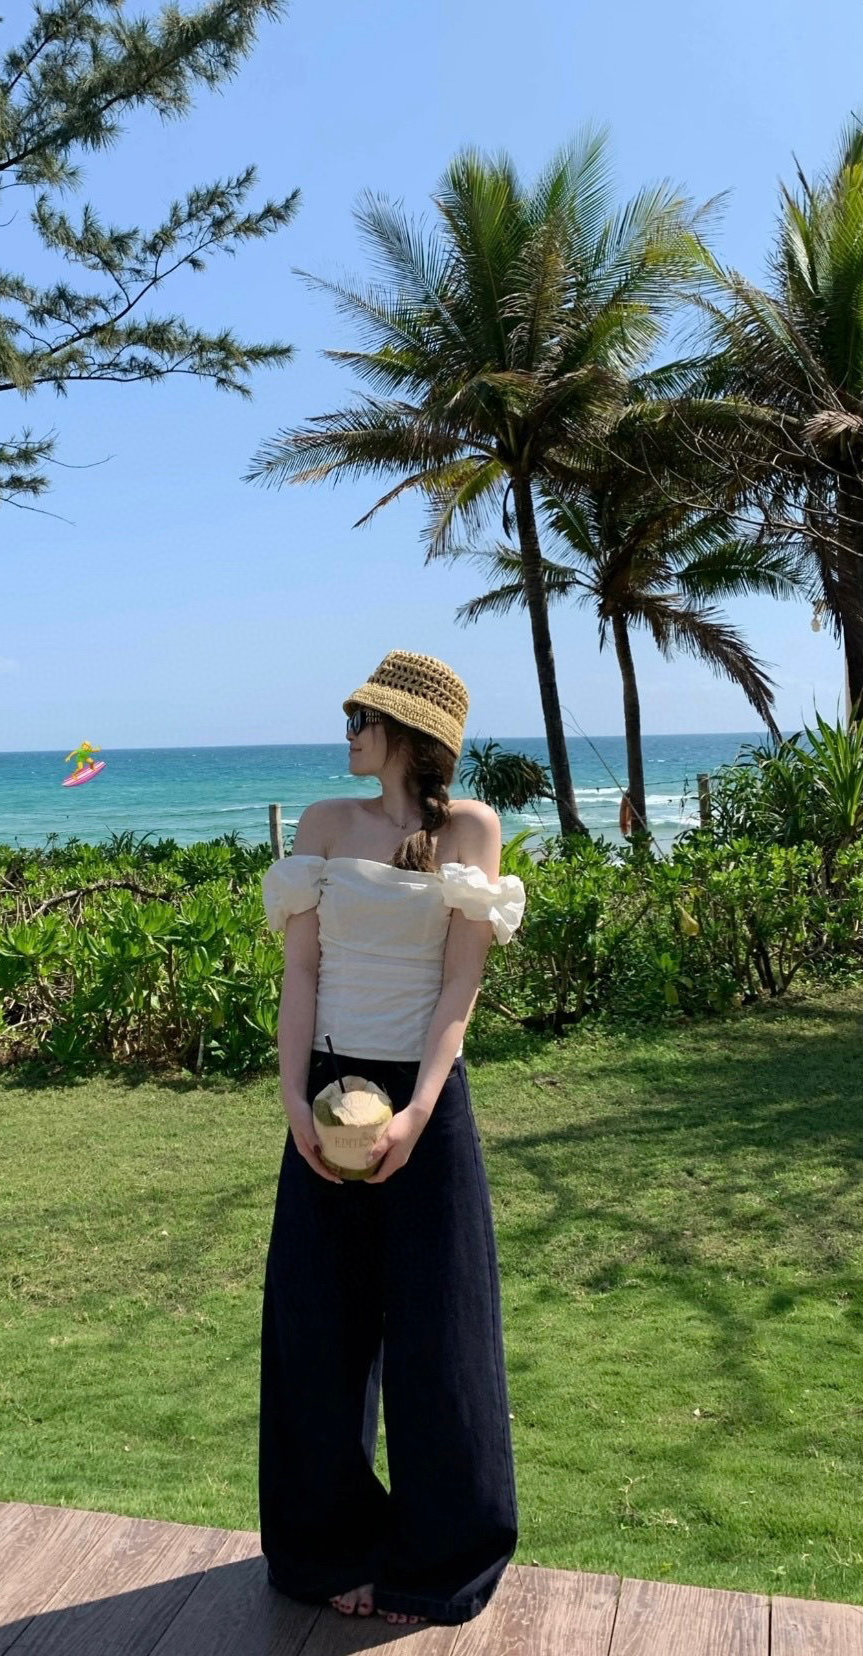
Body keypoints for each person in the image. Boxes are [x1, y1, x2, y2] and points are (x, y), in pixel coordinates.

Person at [259, 650, 527, 1628]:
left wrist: (418, 1112)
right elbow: (301, 974)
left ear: (410, 735)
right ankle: (329, 1546)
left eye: (361, 720)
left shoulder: (471, 830)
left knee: (438, 1332)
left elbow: (459, 986)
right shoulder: (324, 826)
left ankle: (436, 1557)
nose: (349, 735)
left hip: (426, 1102)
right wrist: (293, 1098)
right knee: (316, 1330)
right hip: (328, 1092)